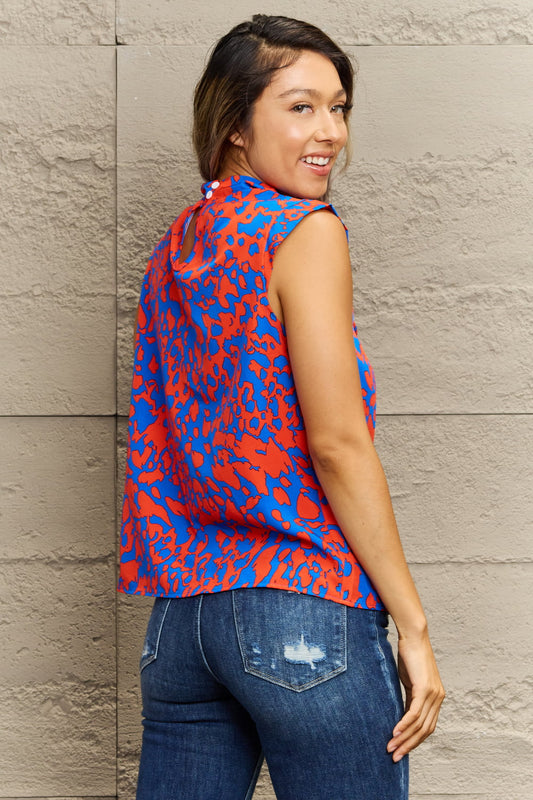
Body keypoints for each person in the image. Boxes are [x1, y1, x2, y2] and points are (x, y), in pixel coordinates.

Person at [119, 14, 445, 800]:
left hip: (181, 624)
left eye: (338, 108)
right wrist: (413, 625)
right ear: (234, 124)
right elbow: (336, 443)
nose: (329, 131)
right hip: (299, 607)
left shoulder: (179, 246)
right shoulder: (303, 232)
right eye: (300, 107)